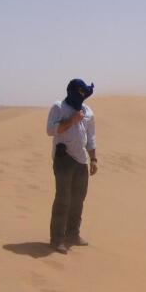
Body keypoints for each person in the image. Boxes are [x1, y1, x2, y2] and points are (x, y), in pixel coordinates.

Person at [46, 79, 98, 254]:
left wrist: (94, 159)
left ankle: (73, 235)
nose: (82, 96)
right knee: (63, 199)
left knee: (78, 200)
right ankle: (57, 239)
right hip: (64, 159)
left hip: (82, 160)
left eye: (84, 94)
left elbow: (91, 137)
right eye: (79, 93)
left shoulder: (88, 111)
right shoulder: (59, 107)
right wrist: (72, 120)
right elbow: (50, 130)